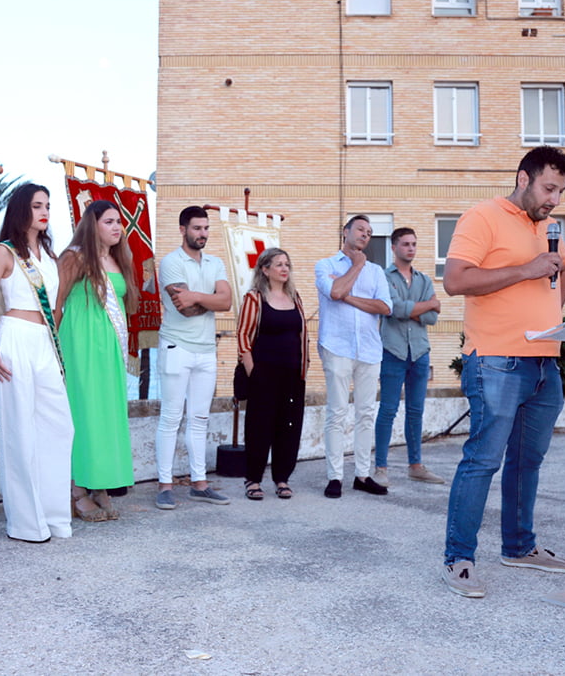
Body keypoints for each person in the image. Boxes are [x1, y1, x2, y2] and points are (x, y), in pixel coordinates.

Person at [441, 146, 565, 599]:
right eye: (548, 188)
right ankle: (459, 560)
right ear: (524, 179)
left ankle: (519, 547)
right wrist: (525, 270)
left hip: (544, 361)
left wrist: (550, 300)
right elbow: (456, 280)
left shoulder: (550, 229)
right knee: (482, 461)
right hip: (496, 359)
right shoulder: (482, 217)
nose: (554, 199)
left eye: (561, 190)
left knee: (528, 463)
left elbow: (562, 274)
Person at [0, 183, 73, 543]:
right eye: (36, 205)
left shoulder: (49, 256)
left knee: (59, 426)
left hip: (44, 341)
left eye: (47, 205)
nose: (44, 211)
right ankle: (26, 524)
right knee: (19, 430)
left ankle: (55, 516)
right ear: (21, 209)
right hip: (13, 336)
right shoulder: (4, 253)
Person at [56, 200, 139, 522]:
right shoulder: (75, 257)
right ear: (92, 225)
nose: (117, 227)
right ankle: (77, 490)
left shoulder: (119, 259)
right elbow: (57, 302)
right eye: (109, 221)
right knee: (85, 413)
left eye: (119, 221)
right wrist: (58, 350)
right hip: (81, 346)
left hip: (109, 350)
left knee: (107, 414)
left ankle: (100, 484)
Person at [154, 206, 233, 510]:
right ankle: (164, 486)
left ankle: (199, 484)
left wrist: (198, 296)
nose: (202, 234)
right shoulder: (171, 262)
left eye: (206, 228)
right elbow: (183, 308)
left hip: (206, 351)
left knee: (199, 419)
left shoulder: (215, 263)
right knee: (171, 418)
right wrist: (210, 299)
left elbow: (227, 301)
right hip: (177, 347)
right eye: (197, 228)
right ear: (183, 229)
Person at [315, 215, 392, 499]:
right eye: (360, 229)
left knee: (365, 413)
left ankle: (362, 474)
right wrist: (354, 269)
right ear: (345, 232)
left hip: (370, 349)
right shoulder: (325, 265)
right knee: (336, 412)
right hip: (337, 346)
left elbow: (384, 307)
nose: (366, 235)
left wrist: (347, 296)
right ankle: (335, 476)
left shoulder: (376, 271)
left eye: (370, 232)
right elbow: (334, 290)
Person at [372, 227, 445, 488]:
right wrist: (425, 305)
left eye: (414, 244)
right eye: (405, 244)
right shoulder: (383, 277)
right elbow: (393, 309)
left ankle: (416, 466)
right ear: (394, 247)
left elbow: (432, 317)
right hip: (392, 352)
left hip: (420, 353)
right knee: (388, 410)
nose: (410, 248)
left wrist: (411, 310)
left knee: (416, 411)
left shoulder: (424, 280)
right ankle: (381, 468)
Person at [236, 248, 309, 500]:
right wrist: (252, 371)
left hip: (292, 375)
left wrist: (304, 368)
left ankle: (282, 478)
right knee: (259, 427)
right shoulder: (255, 298)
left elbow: (301, 335)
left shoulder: (295, 298)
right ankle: (253, 479)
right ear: (265, 270)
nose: (284, 268)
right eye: (278, 264)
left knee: (288, 427)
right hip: (263, 374)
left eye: (287, 264)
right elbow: (243, 335)